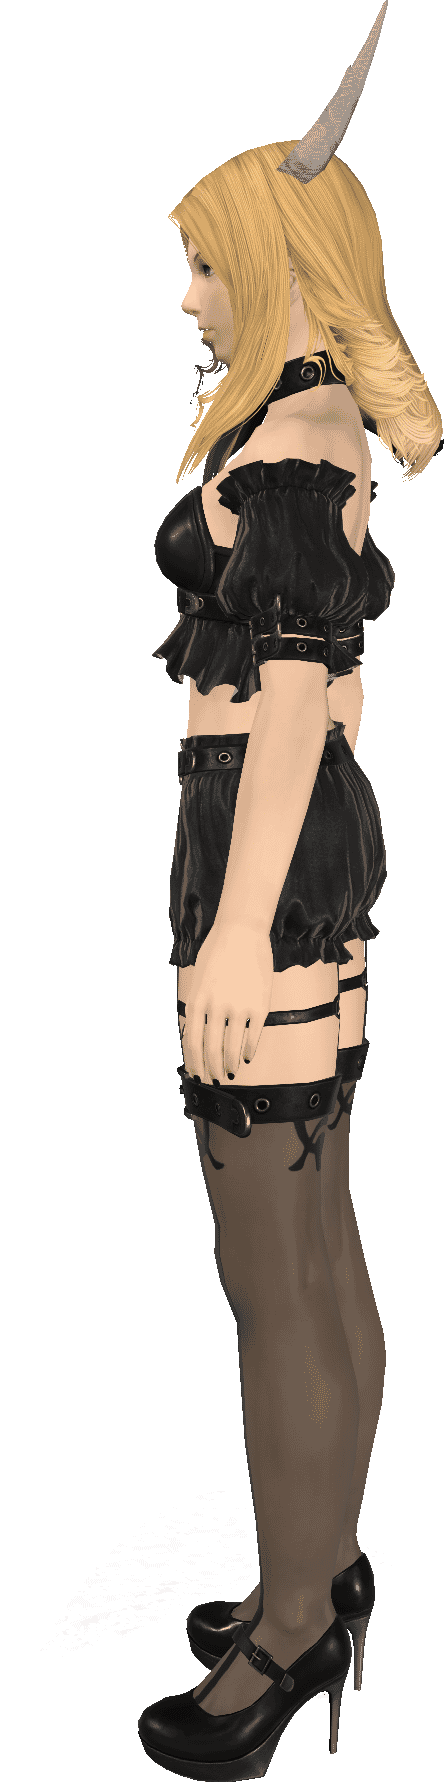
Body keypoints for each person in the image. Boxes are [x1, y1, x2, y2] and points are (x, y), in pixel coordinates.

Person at [138, 10, 442, 1775]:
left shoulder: (293, 446)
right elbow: (335, 697)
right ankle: (322, 1562)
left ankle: (291, 1631)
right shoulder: (316, 428)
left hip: (264, 869)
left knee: (270, 1270)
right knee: (321, 1240)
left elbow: (297, 698)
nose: (189, 298)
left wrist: (241, 931)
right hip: (306, 857)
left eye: (205, 264)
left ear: (272, 259)